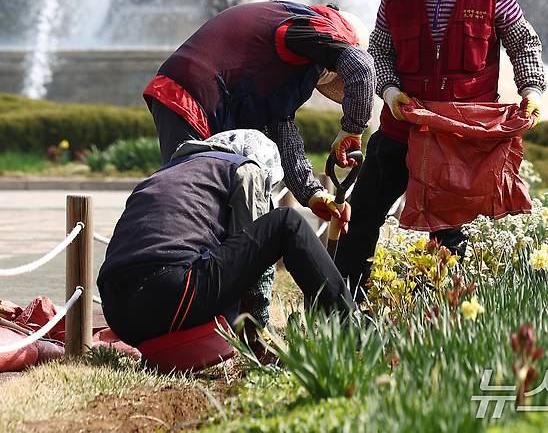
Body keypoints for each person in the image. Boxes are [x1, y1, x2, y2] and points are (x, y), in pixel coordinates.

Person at [335, 0, 546, 299]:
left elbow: (523, 44)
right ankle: (342, 304)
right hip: (404, 126)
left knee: (450, 226)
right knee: (364, 211)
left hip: (461, 133)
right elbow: (379, 49)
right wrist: (390, 89)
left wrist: (531, 90)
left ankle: (444, 310)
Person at [143, 0, 374, 229]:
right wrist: (352, 130)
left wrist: (312, 193)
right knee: (193, 208)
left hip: (191, 96)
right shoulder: (309, 27)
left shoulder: (294, 56)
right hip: (193, 97)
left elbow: (281, 128)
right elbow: (362, 67)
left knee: (212, 209)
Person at [98, 144, 355, 347]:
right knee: (285, 222)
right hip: (171, 292)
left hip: (118, 313)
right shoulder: (244, 168)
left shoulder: (162, 176)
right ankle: (352, 326)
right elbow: (253, 260)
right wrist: (254, 327)